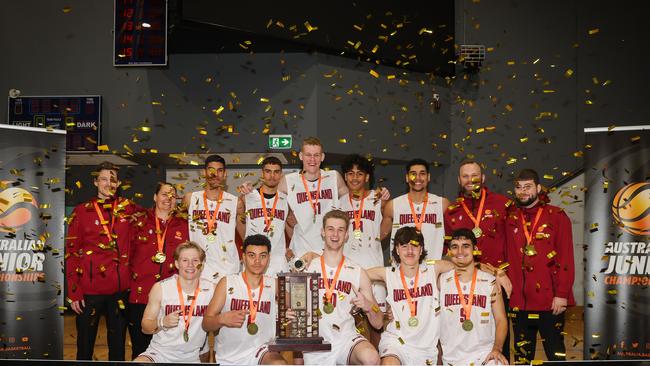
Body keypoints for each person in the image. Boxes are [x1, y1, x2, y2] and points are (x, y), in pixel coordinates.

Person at [238, 137, 389, 259]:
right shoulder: (289, 181)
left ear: (322, 157)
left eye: (316, 155)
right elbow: (269, 201)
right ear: (301, 156)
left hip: (330, 249)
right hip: (300, 249)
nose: (312, 159)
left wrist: (377, 195)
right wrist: (248, 193)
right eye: (308, 155)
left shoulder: (333, 178)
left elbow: (354, 199)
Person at [65, 161, 142, 360]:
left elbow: (154, 218)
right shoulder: (81, 211)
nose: (109, 183)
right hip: (90, 292)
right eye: (104, 179)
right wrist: (74, 291)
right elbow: (71, 252)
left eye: (113, 179)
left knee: (117, 349)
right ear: (96, 182)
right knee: (85, 347)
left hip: (120, 291)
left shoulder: (129, 208)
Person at [443, 159, 511, 360]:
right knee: (466, 334)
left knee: (500, 332)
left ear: (482, 177)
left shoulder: (502, 204)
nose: (470, 179)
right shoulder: (452, 211)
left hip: (497, 283)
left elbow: (513, 246)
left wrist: (501, 273)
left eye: (474, 175)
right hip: (465, 282)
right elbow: (450, 251)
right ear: (459, 180)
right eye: (465, 176)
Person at [506, 169, 575, 364]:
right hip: (519, 302)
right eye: (518, 187)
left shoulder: (557, 216)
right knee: (521, 357)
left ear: (538, 188)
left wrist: (562, 293)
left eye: (527, 187)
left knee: (555, 354)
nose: (522, 192)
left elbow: (566, 257)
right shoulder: (509, 217)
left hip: (550, 302)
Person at [302, 210, 383, 365]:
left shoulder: (357, 271)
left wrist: (368, 306)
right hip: (315, 340)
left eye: (340, 230)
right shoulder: (307, 267)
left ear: (346, 235)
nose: (335, 235)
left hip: (346, 337)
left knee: (371, 357)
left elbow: (378, 322)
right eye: (330, 229)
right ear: (322, 232)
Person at [365, 226, 452, 365]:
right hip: (396, 342)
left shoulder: (433, 269)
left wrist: (485, 268)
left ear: (421, 249)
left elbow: (462, 266)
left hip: (426, 348)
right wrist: (372, 302)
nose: (410, 251)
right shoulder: (388, 273)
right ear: (397, 250)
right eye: (404, 246)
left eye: (414, 246)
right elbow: (358, 276)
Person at [202, 234, 287, 365]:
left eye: (263, 256)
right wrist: (221, 319)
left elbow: (298, 309)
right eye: (252, 255)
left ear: (269, 259)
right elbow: (206, 323)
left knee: (279, 364)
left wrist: (290, 315)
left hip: (262, 352)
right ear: (243, 257)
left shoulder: (275, 285)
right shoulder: (227, 282)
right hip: (229, 356)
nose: (257, 261)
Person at [127, 182, 189, 358]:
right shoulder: (138, 221)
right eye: (164, 194)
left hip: (172, 298)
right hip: (141, 296)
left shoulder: (184, 224)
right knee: (140, 348)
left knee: (172, 348)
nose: (168, 200)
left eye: (172, 196)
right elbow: (127, 255)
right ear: (155, 197)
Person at [134, 242, 215, 363]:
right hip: (160, 353)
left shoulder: (211, 290)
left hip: (191, 357)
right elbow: (145, 327)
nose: (190, 265)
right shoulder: (161, 288)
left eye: (195, 260)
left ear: (202, 265)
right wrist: (162, 322)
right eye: (185, 260)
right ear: (177, 263)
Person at [439, 228, 508, 365]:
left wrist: (497, 349)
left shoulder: (490, 281)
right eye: (455, 247)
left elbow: (501, 319)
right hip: (451, 358)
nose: (460, 252)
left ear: (475, 249)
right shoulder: (440, 281)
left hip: (484, 354)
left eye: (466, 246)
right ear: (449, 251)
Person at [338, 154, 387, 345]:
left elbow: (387, 225)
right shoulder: (339, 202)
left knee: (378, 323)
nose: (355, 177)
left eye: (360, 173)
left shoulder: (378, 197)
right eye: (350, 173)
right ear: (345, 177)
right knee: (348, 321)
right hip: (348, 271)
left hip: (373, 270)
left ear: (367, 177)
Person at [183, 154, 239, 281]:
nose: (215, 174)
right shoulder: (190, 199)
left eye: (219, 170)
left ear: (225, 174)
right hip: (199, 269)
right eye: (211, 170)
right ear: (204, 172)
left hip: (228, 270)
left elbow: (246, 233)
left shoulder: (235, 202)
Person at [380, 158, 449, 260]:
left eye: (422, 173)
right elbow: (379, 236)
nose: (418, 178)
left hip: (432, 269)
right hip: (402, 269)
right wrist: (381, 206)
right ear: (407, 178)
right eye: (413, 174)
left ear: (428, 177)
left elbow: (455, 238)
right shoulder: (393, 205)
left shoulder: (442, 204)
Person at [236, 157, 290, 276]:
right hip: (253, 260)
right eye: (268, 171)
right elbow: (239, 221)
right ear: (262, 173)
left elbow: (292, 226)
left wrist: (292, 248)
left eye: (276, 172)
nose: (272, 176)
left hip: (278, 262)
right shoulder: (247, 196)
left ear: (281, 174)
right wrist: (247, 241)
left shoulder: (286, 199)